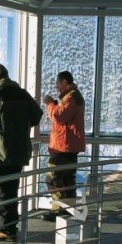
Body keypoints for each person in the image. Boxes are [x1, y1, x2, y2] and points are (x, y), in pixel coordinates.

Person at [0, 63, 43, 242]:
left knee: (2, 192)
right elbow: (37, 115)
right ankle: (10, 226)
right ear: (7, 75)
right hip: (18, 151)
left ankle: (7, 229)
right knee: (12, 189)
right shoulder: (22, 93)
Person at [42, 71, 86, 221]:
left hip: (63, 145)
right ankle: (69, 209)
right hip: (68, 145)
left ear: (65, 82)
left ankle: (59, 209)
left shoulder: (71, 97)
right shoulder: (73, 96)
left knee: (53, 177)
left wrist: (49, 103)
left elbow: (58, 116)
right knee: (67, 179)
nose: (56, 86)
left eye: (58, 82)